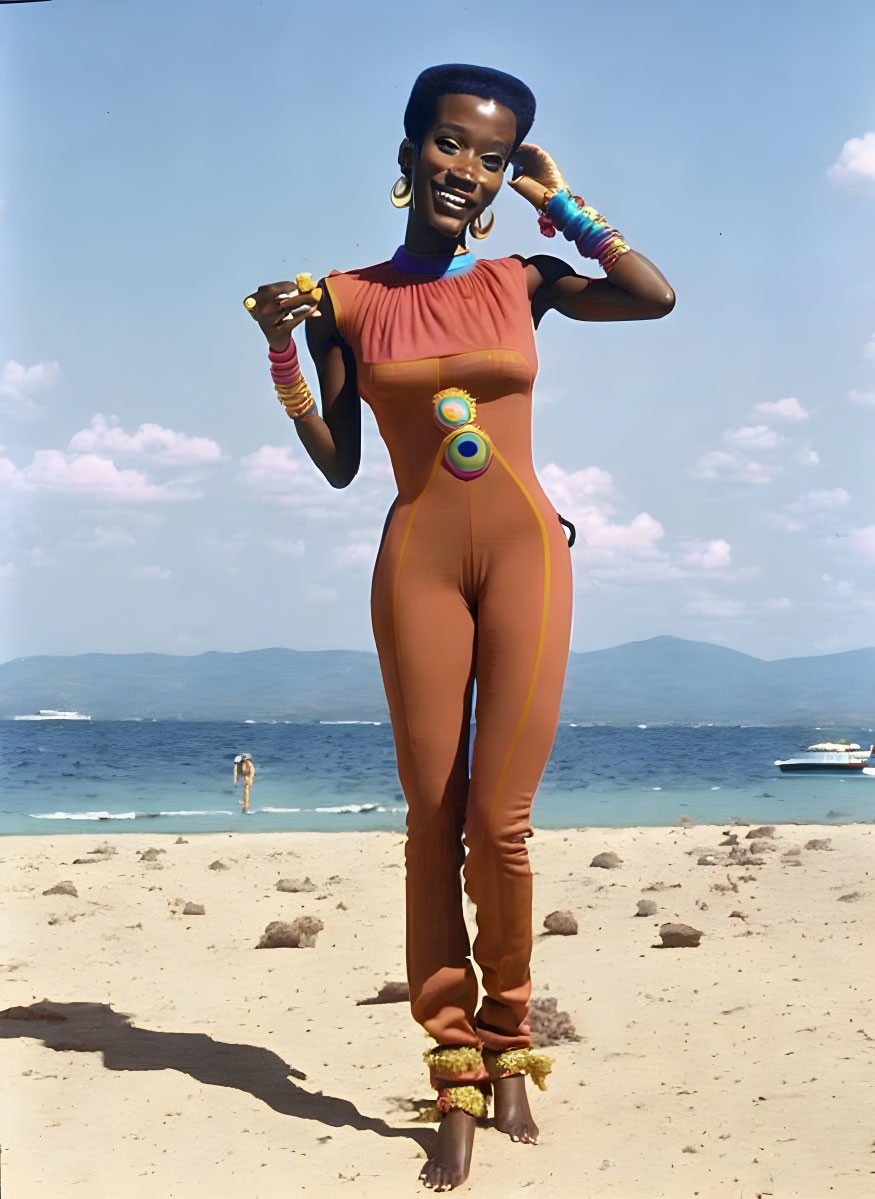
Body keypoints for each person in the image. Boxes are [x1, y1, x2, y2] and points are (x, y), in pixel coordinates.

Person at [244, 63, 674, 1191]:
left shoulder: (524, 278)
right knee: (429, 822)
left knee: (501, 821)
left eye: (489, 155)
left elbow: (649, 294)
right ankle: (452, 1073)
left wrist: (559, 202)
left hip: (527, 555)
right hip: (416, 567)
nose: (465, 169)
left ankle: (511, 1034)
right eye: (449, 144)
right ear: (407, 152)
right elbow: (342, 465)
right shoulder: (344, 296)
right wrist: (284, 353)